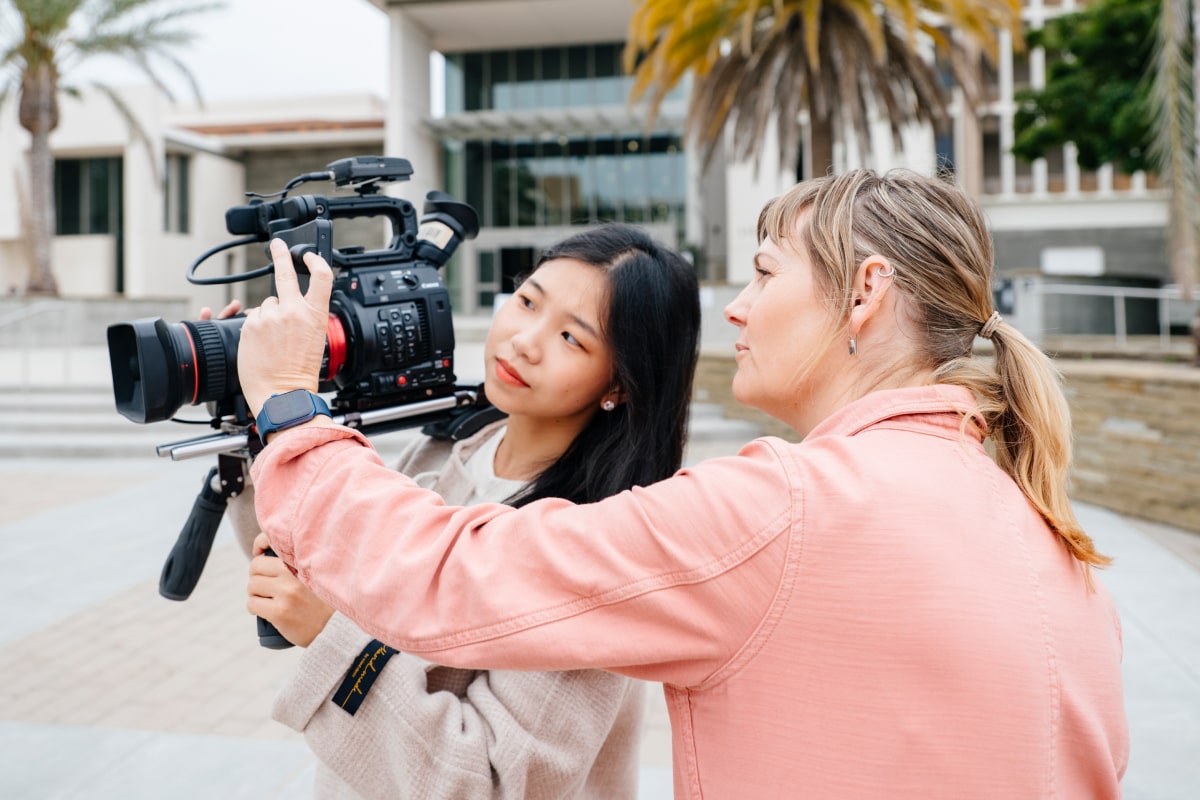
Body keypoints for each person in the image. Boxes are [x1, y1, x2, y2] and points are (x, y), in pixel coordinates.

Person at [239, 169, 1130, 799]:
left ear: (866, 294)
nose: (737, 307)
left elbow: (448, 574)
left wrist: (289, 407)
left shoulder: (780, 508)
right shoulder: (1045, 526)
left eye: (766, 272)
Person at [234, 223, 702, 799]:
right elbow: (291, 561)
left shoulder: (597, 549)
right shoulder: (435, 453)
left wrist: (332, 635)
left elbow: (493, 784)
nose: (525, 340)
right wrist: (253, 425)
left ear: (621, 386)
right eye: (528, 301)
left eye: (571, 338)